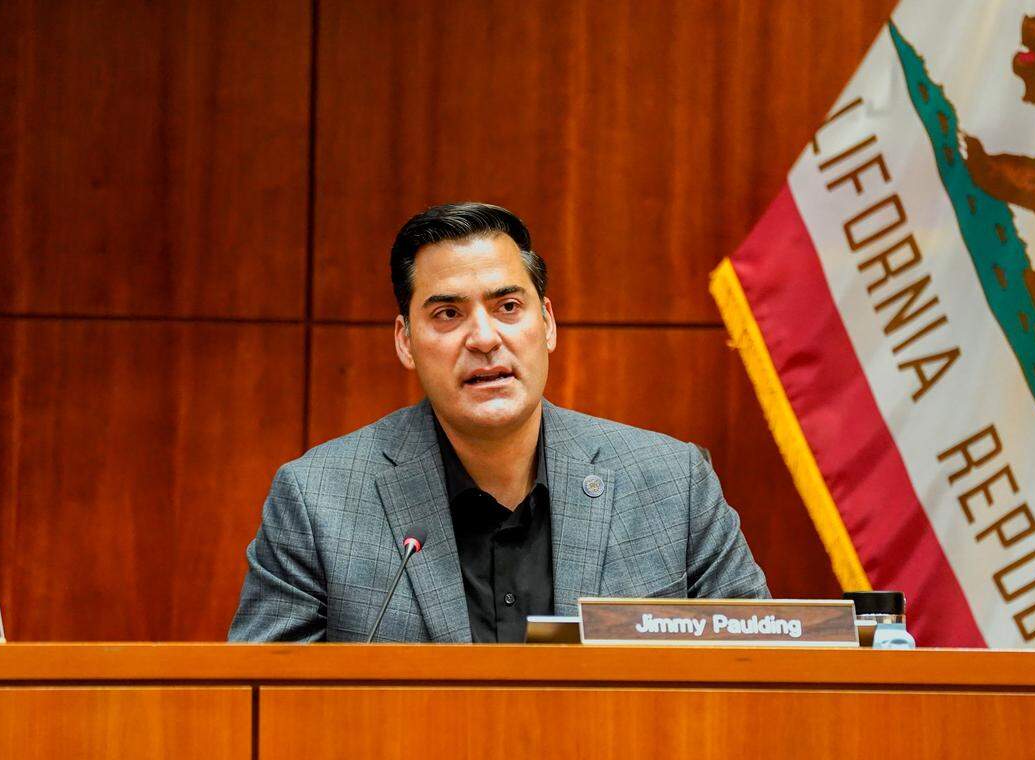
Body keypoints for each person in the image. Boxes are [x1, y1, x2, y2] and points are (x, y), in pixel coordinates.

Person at [229, 202, 768, 643]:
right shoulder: (317, 501)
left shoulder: (672, 484)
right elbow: (265, 703)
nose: (485, 338)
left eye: (508, 306)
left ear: (547, 323)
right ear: (405, 341)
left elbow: (763, 673)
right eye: (448, 314)